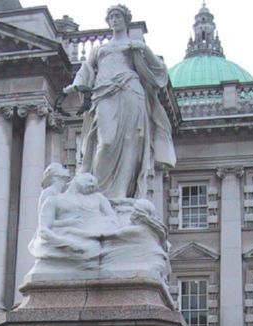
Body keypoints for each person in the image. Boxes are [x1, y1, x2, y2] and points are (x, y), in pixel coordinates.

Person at [62, 4, 176, 200]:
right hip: (104, 94)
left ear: (126, 19)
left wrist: (145, 50)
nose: (114, 20)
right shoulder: (99, 49)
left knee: (130, 142)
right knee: (105, 141)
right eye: (111, 17)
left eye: (118, 16)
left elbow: (160, 72)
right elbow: (86, 70)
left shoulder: (134, 47)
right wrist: (75, 85)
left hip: (131, 92)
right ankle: (97, 193)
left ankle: (121, 194)